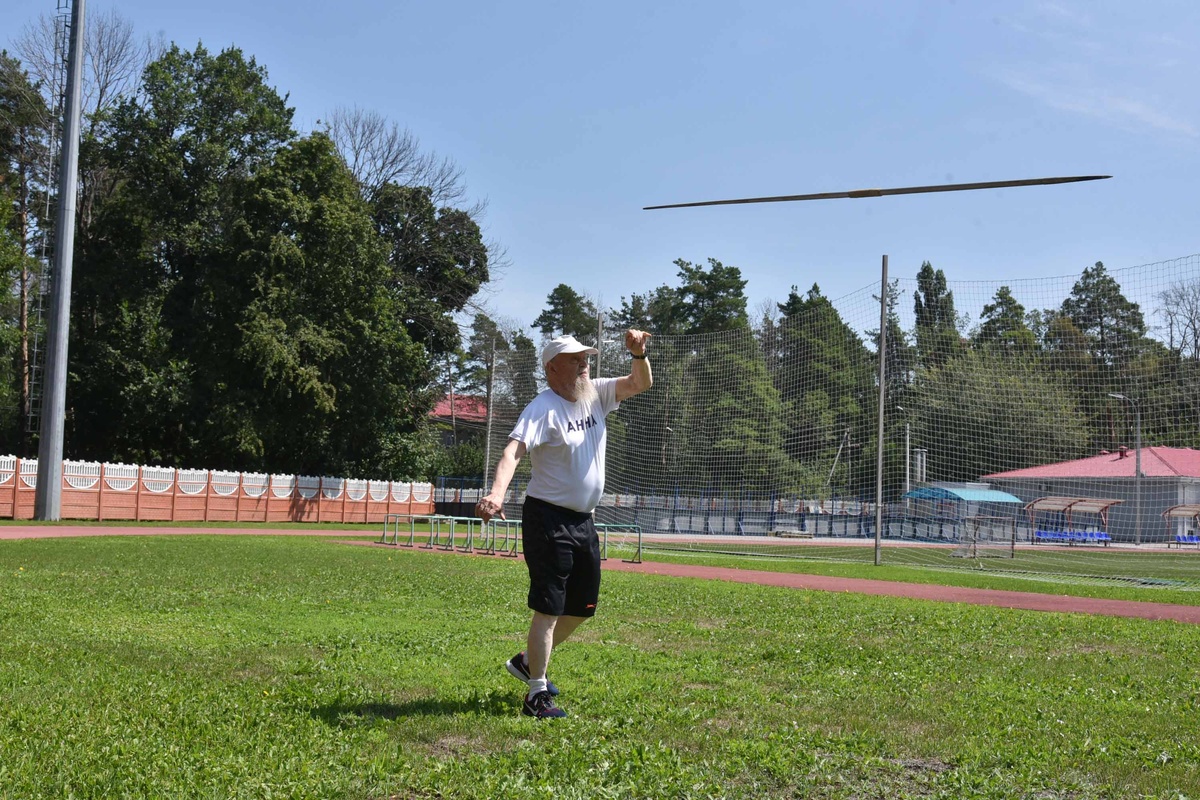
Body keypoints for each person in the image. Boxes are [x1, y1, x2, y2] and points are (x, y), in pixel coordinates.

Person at [475, 329, 653, 719]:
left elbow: (639, 383)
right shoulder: (542, 408)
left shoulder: (596, 393)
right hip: (548, 518)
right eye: (576, 360)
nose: (584, 364)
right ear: (552, 368)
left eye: (586, 358)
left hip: (583, 521)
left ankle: (527, 662)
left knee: (583, 606)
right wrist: (497, 493)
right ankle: (536, 694)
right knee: (550, 607)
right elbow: (512, 452)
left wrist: (639, 355)